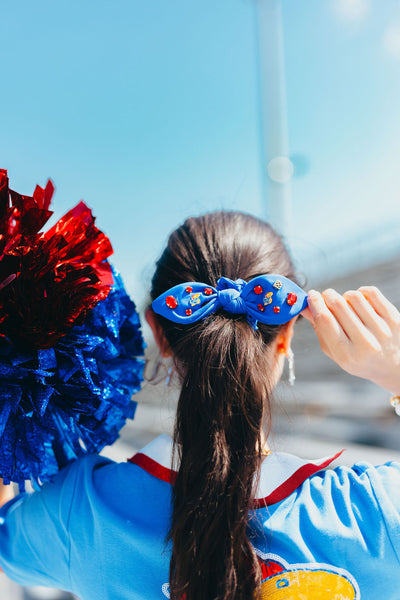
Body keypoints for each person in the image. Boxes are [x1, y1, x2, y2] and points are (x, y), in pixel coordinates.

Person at [0, 210, 400, 600]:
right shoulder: (374, 511)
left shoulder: (80, 512)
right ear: (287, 335)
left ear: (159, 334)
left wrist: (10, 406)